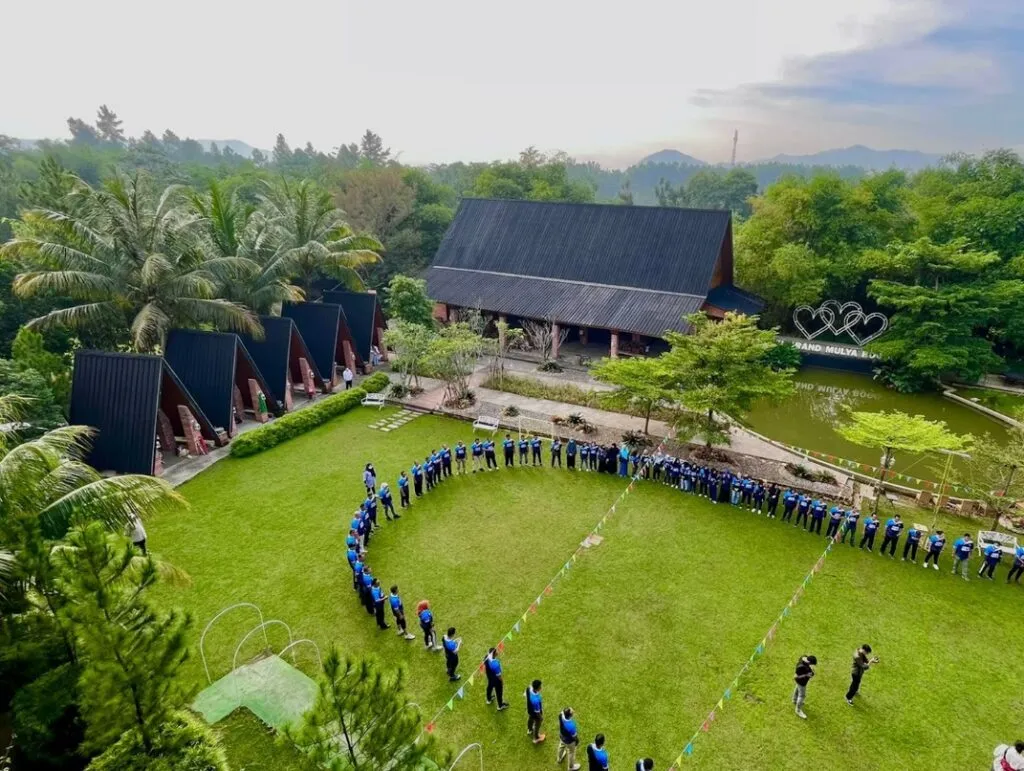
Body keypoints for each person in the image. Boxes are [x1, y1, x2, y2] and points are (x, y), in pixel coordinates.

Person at [793, 654, 817, 719]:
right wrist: (806, 675)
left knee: (797, 688)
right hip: (801, 682)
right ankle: (798, 710)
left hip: (800, 682)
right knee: (802, 696)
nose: (812, 666)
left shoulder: (804, 658)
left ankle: (794, 700)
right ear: (809, 662)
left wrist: (810, 673)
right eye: (812, 664)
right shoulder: (801, 667)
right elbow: (795, 677)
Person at [525, 679, 545, 743]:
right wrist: (541, 718)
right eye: (540, 686)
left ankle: (529, 729)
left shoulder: (528, 688)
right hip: (535, 713)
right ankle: (536, 738)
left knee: (530, 718)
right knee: (537, 724)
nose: (541, 687)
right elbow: (537, 712)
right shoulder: (535, 699)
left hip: (530, 709)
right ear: (538, 688)